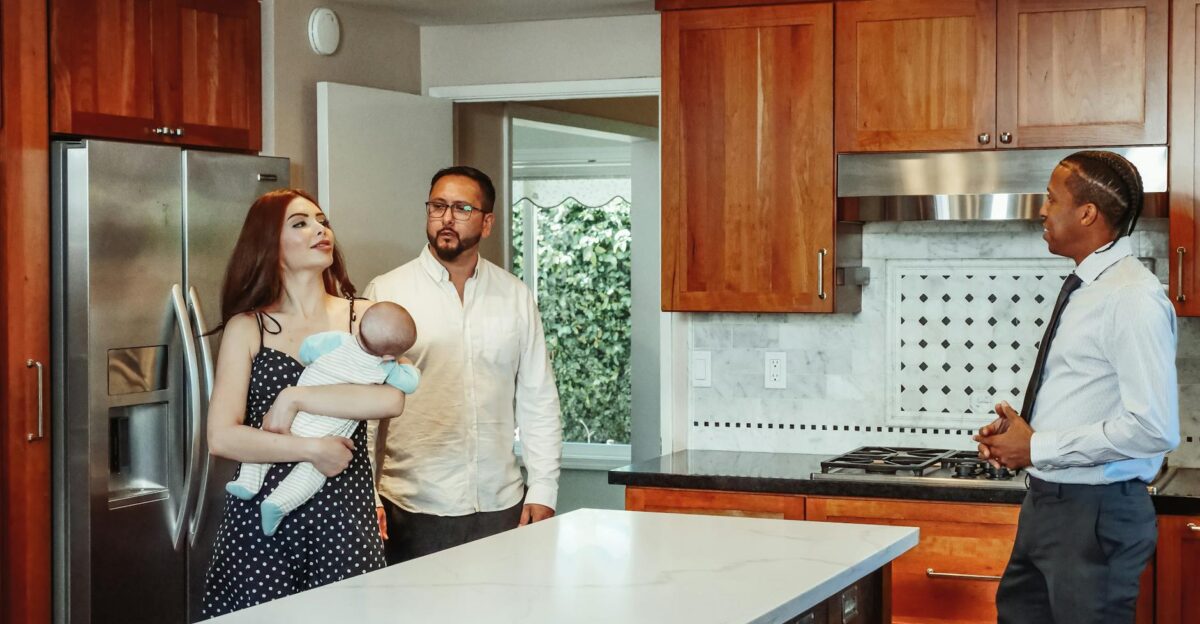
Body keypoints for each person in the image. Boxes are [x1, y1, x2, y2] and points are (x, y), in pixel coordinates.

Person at [974, 151, 1179, 623]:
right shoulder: (1091, 288)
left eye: (1051, 198)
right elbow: (1086, 393)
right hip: (1047, 506)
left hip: (1095, 516)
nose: (1042, 210)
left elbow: (1154, 428)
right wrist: (1019, 438)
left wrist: (1039, 445)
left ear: (1087, 213)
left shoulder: (1131, 297)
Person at [201, 189, 407, 618]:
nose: (320, 229)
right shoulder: (248, 327)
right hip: (260, 517)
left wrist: (296, 397)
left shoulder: (364, 317)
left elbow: (390, 399)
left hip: (344, 514)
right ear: (269, 246)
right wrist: (312, 449)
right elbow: (221, 436)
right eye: (300, 224)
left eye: (321, 221)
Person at [364, 165, 563, 564]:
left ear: (487, 222)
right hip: (410, 506)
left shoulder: (515, 296)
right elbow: (364, 408)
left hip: (501, 504)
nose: (446, 219)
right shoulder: (387, 293)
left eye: (461, 208)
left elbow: (538, 400)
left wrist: (543, 490)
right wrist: (366, 495)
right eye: (438, 206)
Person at [224, 302, 421, 536]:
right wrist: (404, 363)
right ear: (389, 354)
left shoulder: (338, 341)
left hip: (293, 420)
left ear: (360, 326)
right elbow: (410, 384)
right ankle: (278, 504)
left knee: (264, 438)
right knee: (310, 474)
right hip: (328, 432)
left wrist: (297, 390)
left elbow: (307, 351)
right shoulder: (385, 368)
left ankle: (247, 480)